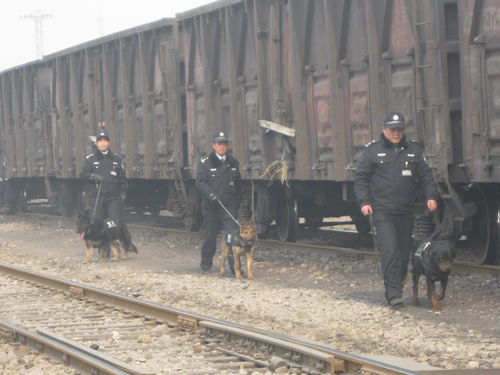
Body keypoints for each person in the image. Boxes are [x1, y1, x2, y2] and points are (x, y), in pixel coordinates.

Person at [354, 112, 438, 307]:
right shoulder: (372, 151)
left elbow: (426, 176)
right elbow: (361, 179)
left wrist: (431, 196)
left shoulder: (414, 150)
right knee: (390, 251)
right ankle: (393, 294)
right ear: (384, 129)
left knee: (402, 252)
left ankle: (397, 283)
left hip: (406, 211)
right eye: (392, 130)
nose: (396, 133)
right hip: (382, 211)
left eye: (399, 129)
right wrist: (364, 202)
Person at [195, 131, 242, 274]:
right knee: (210, 236)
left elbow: (238, 184)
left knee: (231, 237)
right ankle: (206, 265)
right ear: (213, 145)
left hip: (228, 206)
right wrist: (210, 194)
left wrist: (237, 201)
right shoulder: (205, 163)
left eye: (224, 144)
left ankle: (236, 269)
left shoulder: (233, 162)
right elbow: (200, 182)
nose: (222, 147)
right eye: (219, 144)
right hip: (212, 206)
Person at [80, 130, 127, 228]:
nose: (103, 143)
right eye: (100, 141)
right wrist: (93, 176)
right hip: (97, 198)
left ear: (108, 143)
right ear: (96, 143)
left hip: (113, 199)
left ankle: (112, 243)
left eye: (105, 141)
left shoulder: (116, 159)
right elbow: (83, 175)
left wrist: (123, 194)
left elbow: (122, 178)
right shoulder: (90, 159)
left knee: (114, 225)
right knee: (97, 225)